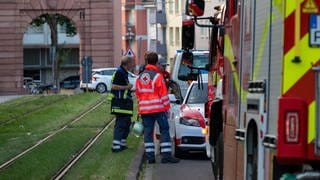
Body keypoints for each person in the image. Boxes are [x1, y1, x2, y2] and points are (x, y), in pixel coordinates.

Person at [135, 51, 180, 164]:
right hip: (158, 109)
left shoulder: (139, 77)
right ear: (156, 62)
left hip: (145, 110)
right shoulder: (158, 76)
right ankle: (166, 156)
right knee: (164, 129)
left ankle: (150, 158)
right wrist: (167, 108)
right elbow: (164, 95)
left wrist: (140, 109)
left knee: (148, 132)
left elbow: (138, 94)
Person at [111, 56, 134, 153]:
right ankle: (116, 146)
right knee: (121, 124)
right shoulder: (120, 72)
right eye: (131, 63)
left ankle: (122, 144)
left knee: (127, 123)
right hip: (120, 103)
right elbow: (114, 86)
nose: (132, 65)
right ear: (127, 64)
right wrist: (127, 87)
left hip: (124, 103)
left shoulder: (123, 72)